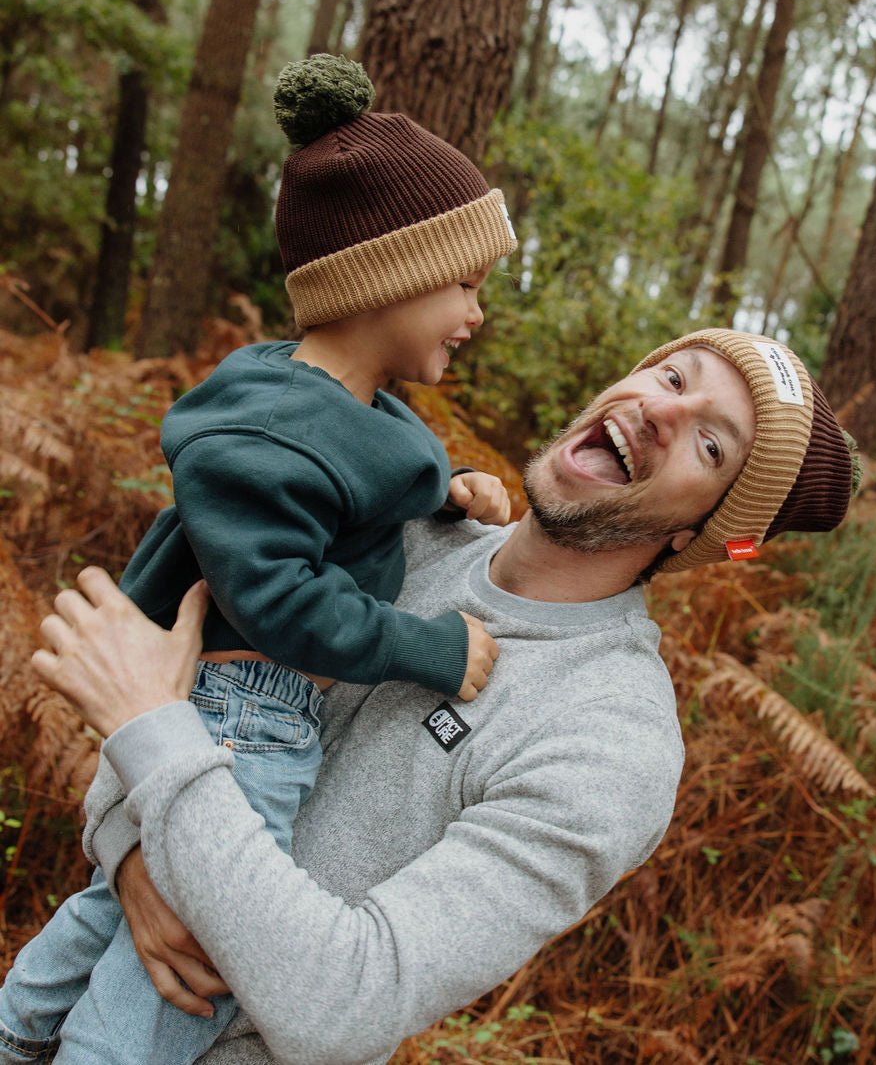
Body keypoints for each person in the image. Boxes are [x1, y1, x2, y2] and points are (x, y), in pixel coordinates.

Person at [10, 328, 859, 1065]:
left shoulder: (611, 743)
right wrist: (131, 858)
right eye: (675, 377)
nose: (664, 411)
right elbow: (171, 688)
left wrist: (151, 745)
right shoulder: (401, 527)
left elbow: (343, 1002)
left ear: (698, 532)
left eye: (712, 446)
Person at [0, 54, 520, 1064]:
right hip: (249, 720)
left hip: (238, 709)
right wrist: (427, 647)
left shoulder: (327, 406)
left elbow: (351, 488)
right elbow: (281, 593)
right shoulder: (270, 435)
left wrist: (450, 486)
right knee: (190, 963)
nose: (476, 313)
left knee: (114, 919)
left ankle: (17, 1027)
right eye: (464, 282)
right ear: (387, 278)